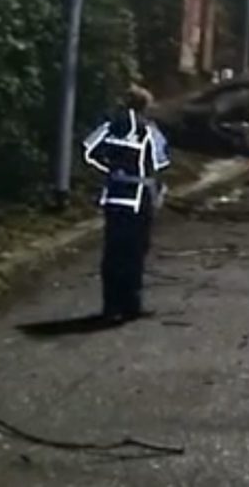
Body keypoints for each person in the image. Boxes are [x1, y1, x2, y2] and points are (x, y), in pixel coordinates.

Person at [83, 86, 170, 324]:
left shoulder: (111, 125)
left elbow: (88, 151)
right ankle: (131, 303)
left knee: (113, 252)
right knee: (135, 252)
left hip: (113, 196)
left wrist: (110, 171)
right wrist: (159, 191)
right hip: (139, 197)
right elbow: (160, 164)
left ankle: (110, 305)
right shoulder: (148, 130)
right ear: (145, 105)